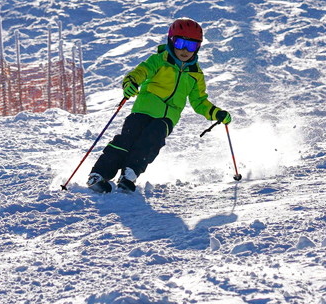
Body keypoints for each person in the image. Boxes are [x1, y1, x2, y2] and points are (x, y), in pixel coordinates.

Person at [87, 17, 231, 193]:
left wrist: (216, 113)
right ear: (171, 41)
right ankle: (99, 174)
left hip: (167, 118)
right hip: (143, 110)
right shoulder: (159, 60)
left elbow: (199, 101)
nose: (185, 50)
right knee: (127, 140)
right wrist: (131, 82)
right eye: (180, 43)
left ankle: (129, 173)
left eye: (191, 46)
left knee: (152, 139)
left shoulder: (196, 74)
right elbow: (141, 72)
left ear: (198, 47)